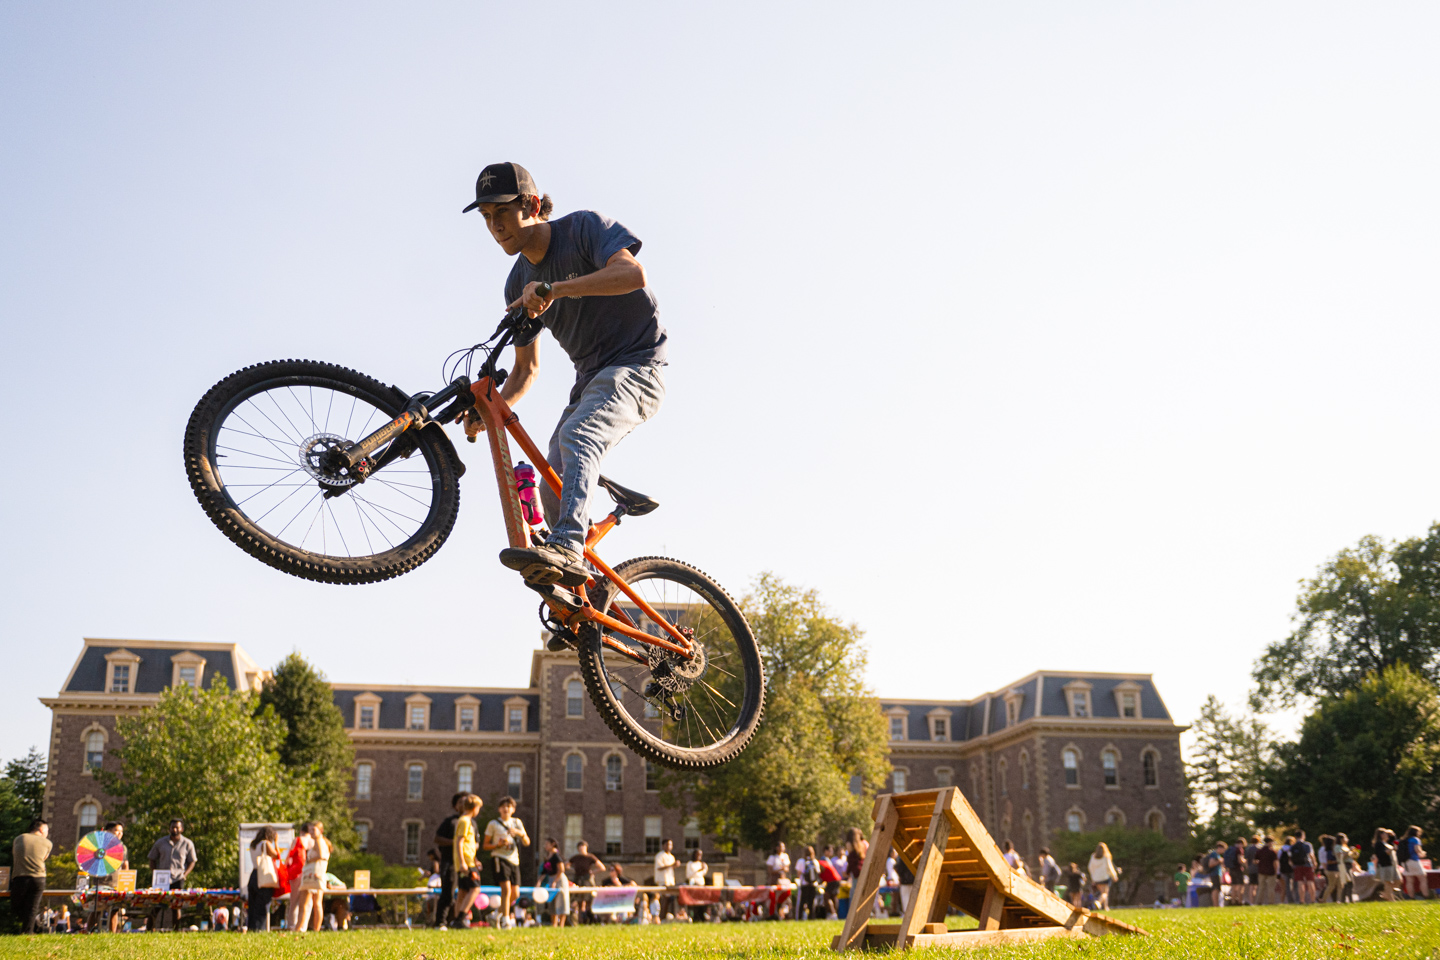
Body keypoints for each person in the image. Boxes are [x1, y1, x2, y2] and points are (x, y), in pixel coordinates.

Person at [460, 162, 667, 598]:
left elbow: (633, 275)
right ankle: (588, 604)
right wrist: (488, 410)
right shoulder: (517, 281)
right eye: (486, 219)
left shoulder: (585, 229)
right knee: (550, 480)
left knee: (579, 435)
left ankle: (568, 548)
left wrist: (554, 289)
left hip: (639, 366)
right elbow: (525, 371)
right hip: (591, 379)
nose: (495, 227)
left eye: (503, 213)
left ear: (532, 206)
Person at [484, 796, 530, 929]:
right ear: (499, 809)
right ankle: (505, 920)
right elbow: (485, 845)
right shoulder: (493, 824)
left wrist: (520, 834)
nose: (506, 808)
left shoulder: (517, 823)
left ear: (513, 809)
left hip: (514, 860)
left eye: (509, 806)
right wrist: (497, 845)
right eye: (503, 806)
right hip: (499, 858)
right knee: (506, 889)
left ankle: (495, 915)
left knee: (515, 893)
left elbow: (527, 842)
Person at [148, 818, 198, 930]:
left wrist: (185, 874)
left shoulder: (187, 843)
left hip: (178, 878)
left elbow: (192, 861)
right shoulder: (160, 842)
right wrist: (155, 872)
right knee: (157, 904)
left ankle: (176, 929)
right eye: (172, 827)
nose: (174, 829)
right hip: (162, 879)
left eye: (177, 827)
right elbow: (152, 858)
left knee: (176, 906)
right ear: (169, 828)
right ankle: (149, 928)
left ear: (182, 829)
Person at [433, 793, 468, 928]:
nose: (464, 804)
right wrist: (455, 842)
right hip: (450, 861)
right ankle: (440, 922)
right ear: (455, 806)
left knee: (464, 892)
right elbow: (437, 839)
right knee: (448, 891)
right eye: (460, 802)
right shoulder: (450, 822)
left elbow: (474, 843)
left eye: (466, 801)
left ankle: (458, 921)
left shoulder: (471, 822)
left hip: (465, 863)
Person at [9, 819, 51, 934]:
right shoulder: (47, 843)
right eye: (47, 830)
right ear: (41, 829)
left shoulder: (19, 839)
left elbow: (16, 855)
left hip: (20, 877)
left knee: (16, 906)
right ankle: (32, 930)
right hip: (39, 877)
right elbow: (43, 858)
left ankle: (30, 931)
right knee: (32, 907)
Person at [451, 795, 483, 928]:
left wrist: (475, 859)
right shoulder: (464, 821)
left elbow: (468, 845)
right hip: (466, 863)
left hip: (469, 860)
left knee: (463, 891)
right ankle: (460, 918)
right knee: (475, 888)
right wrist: (463, 862)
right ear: (475, 808)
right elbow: (459, 842)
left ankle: (456, 920)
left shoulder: (465, 820)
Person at [295, 821, 331, 932]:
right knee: (315, 903)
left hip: (313, 876)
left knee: (310, 904)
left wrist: (310, 860)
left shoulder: (319, 841)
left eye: (313, 830)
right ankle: (312, 928)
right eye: (310, 830)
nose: (311, 832)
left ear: (320, 831)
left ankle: (306, 928)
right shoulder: (319, 841)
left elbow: (322, 856)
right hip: (316, 876)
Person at [246, 826, 281, 932]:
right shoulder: (265, 843)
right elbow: (277, 855)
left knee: (252, 905)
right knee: (261, 905)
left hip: (253, 875)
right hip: (263, 876)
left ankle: (251, 928)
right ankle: (259, 929)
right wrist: (276, 842)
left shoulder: (253, 844)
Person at [568, 840, 605, 923]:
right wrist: (573, 870)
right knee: (578, 899)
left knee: (590, 898)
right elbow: (566, 865)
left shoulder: (590, 857)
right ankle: (579, 919)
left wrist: (592, 872)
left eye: (583, 848)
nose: (582, 849)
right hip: (578, 880)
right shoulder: (575, 858)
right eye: (580, 848)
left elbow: (602, 867)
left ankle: (591, 918)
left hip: (587, 879)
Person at [285, 822, 312, 930]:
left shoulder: (298, 840)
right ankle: (303, 927)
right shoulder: (314, 842)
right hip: (310, 873)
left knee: (294, 901)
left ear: (302, 831)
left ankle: (292, 926)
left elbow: (289, 858)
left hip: (297, 873)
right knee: (307, 902)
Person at [539, 838, 568, 927]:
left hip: (559, 879)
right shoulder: (548, 857)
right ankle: (554, 924)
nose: (545, 846)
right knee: (552, 901)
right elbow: (544, 871)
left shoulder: (556, 856)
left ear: (553, 844)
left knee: (561, 901)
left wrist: (555, 881)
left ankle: (561, 925)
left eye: (547, 844)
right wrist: (539, 882)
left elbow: (561, 869)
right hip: (551, 879)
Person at [1088, 842, 1120, 910]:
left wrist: (1093, 877)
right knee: (1105, 893)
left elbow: (1090, 867)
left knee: (1103, 893)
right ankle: (1098, 902)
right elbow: (1109, 867)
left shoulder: (1093, 856)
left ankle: (1106, 907)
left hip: (1096, 878)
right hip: (1104, 877)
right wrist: (1114, 875)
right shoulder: (1106, 857)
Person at [1399, 826, 1427, 899]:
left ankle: (1411, 897)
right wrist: (1422, 853)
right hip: (1414, 860)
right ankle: (1425, 895)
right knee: (1423, 878)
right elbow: (1417, 850)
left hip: (1405, 862)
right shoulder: (1415, 839)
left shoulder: (1404, 840)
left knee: (1409, 880)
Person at [654, 838, 678, 921]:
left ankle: (669, 917)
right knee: (664, 899)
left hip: (670, 881)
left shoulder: (672, 857)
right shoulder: (659, 855)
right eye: (667, 844)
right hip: (663, 881)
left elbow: (671, 868)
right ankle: (662, 917)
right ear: (663, 846)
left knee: (670, 900)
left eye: (671, 845)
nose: (669, 846)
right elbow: (659, 867)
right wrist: (672, 865)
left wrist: (675, 866)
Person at [1373, 828, 1400, 901]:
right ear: (1381, 835)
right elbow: (1381, 854)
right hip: (1385, 865)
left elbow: (1396, 843)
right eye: (1385, 834)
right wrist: (1391, 850)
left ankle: (1385, 893)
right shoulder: (1379, 844)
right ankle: (1391, 899)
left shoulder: (1387, 843)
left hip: (1393, 865)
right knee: (1388, 882)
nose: (1387, 835)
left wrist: (1394, 836)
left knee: (1399, 880)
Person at [1290, 831, 1316, 905]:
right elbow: (1311, 855)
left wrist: (1293, 865)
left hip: (1297, 866)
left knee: (1300, 883)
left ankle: (1302, 900)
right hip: (1307, 865)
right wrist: (1314, 863)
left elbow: (1290, 858)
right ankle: (1313, 900)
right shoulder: (1307, 845)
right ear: (1303, 836)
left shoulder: (1293, 846)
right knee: (1310, 881)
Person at [794, 846, 819, 920]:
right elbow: (818, 873)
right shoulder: (815, 861)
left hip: (804, 884)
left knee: (802, 902)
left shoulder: (801, 861)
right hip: (813, 884)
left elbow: (798, 873)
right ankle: (811, 917)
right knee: (811, 903)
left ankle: (800, 917)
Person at [818, 845, 843, 919]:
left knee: (827, 896)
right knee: (833, 897)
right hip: (836, 879)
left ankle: (832, 913)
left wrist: (820, 880)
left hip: (832, 880)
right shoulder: (825, 860)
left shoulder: (822, 860)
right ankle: (834, 914)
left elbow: (821, 871)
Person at [685, 849, 708, 922]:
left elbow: (703, 873)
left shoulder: (701, 864)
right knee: (694, 902)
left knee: (702, 902)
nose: (699, 856)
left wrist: (704, 868)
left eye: (701, 855)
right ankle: (694, 916)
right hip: (694, 885)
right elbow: (688, 875)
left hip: (701, 885)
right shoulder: (690, 864)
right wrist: (699, 870)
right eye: (698, 854)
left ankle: (702, 916)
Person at [1222, 837, 1247, 906]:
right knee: (1240, 886)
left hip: (1231, 869)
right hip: (1238, 869)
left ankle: (1233, 901)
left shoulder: (1230, 849)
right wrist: (1245, 862)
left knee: (1233, 886)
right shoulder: (1239, 850)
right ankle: (1239, 901)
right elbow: (1240, 860)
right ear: (1241, 843)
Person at [1318, 835, 1343, 903]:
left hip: (1335, 870)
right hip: (1331, 870)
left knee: (1340, 885)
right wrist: (1337, 861)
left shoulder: (1332, 850)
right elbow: (1329, 861)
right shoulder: (1329, 852)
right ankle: (1323, 899)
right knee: (1331, 886)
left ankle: (1339, 900)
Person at [1202, 841, 1227, 908]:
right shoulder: (1214, 854)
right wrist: (1220, 861)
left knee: (1217, 889)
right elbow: (1211, 864)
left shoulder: (1217, 855)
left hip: (1217, 873)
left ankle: (1217, 904)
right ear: (1219, 848)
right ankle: (1215, 905)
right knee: (1215, 888)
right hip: (1214, 874)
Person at [1255, 836, 1278, 905]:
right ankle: (1271, 902)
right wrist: (1276, 871)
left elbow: (1255, 861)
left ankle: (1259, 902)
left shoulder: (1259, 851)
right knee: (1271, 888)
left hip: (1261, 871)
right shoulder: (1272, 852)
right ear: (1270, 842)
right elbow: (1275, 863)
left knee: (1261, 888)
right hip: (1271, 871)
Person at [1245, 835, 1262, 905]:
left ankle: (1251, 901)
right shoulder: (1259, 849)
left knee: (1251, 886)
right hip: (1258, 869)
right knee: (1257, 886)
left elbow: (1246, 860)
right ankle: (1256, 901)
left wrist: (1248, 867)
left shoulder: (1248, 849)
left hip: (1251, 869)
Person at [1278, 835, 1295, 904]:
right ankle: (1298, 899)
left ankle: (1290, 900)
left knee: (1287, 886)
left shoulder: (1281, 850)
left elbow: (1278, 860)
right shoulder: (1292, 848)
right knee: (1296, 885)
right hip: (1292, 869)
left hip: (1283, 870)